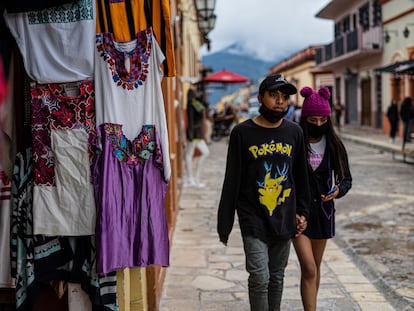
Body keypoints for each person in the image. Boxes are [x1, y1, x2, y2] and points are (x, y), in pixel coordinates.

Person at [217, 74, 311, 311]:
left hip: (284, 215)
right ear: (260, 98)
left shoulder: (295, 132)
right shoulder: (242, 133)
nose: (280, 101)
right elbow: (232, 179)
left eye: (284, 96)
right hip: (252, 215)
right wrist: (225, 221)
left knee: (277, 276)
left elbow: (300, 176)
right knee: (260, 277)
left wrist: (302, 211)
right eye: (273, 95)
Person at [292, 86, 352, 311]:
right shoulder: (296, 143)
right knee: (308, 267)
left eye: (322, 119)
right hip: (299, 214)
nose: (318, 124)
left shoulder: (335, 145)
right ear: (305, 118)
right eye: (313, 119)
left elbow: (347, 180)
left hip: (324, 213)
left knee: (315, 267)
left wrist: (338, 191)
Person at [185, 88, 210, 187]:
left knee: (205, 152)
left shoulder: (196, 103)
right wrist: (190, 135)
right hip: (193, 134)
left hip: (198, 134)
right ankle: (190, 178)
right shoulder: (191, 105)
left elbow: (202, 109)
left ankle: (196, 177)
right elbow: (190, 121)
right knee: (189, 155)